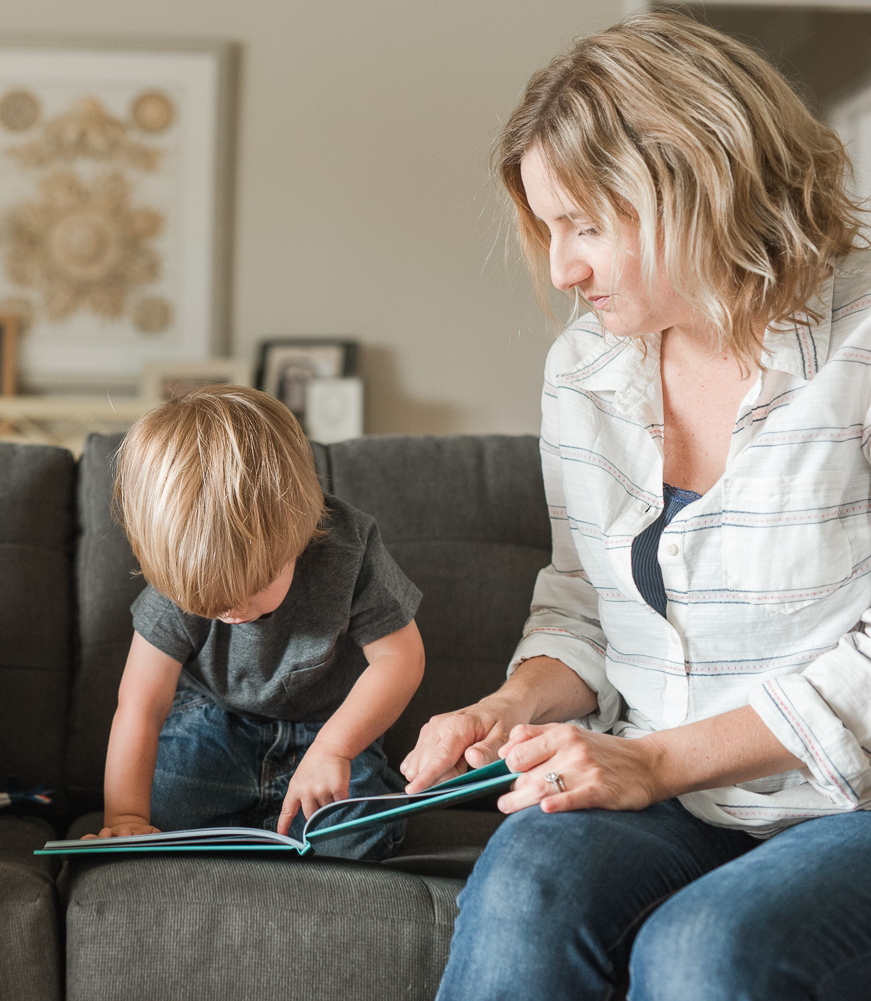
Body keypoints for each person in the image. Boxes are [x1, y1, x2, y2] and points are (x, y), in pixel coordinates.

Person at [398, 13, 871, 1000]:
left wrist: (654, 759)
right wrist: (508, 705)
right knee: (525, 886)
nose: (563, 269)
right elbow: (582, 601)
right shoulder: (585, 367)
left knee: (707, 949)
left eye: (585, 226)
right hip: (673, 781)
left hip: (848, 796)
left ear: (695, 182)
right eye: (549, 230)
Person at [92, 385, 424, 859]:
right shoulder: (180, 565)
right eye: (210, 601)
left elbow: (401, 659)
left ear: (301, 528)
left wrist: (334, 750)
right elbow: (140, 705)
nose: (233, 611)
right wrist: (125, 818)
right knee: (165, 808)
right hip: (212, 723)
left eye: (255, 585)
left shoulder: (349, 548)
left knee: (355, 835)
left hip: (330, 727)